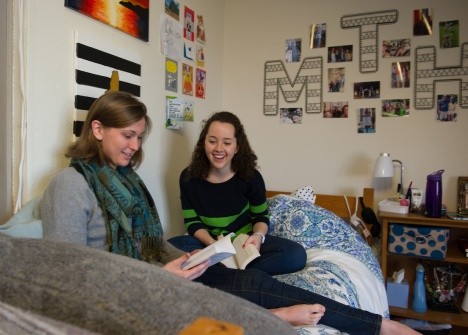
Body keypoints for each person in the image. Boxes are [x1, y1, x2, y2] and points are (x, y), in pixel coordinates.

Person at [40, 91, 420, 335]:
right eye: (129, 136)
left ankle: (379, 325)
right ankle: (282, 319)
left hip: (159, 272)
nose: (135, 146)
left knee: (259, 281)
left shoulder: (124, 180)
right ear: (98, 129)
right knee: (248, 284)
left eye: (140, 137)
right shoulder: (70, 185)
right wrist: (165, 272)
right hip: (136, 286)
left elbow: (148, 245)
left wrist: (186, 259)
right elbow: (68, 275)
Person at [168, 111, 306, 276]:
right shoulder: (188, 177)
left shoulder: (251, 177)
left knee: (295, 254)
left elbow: (261, 218)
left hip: (244, 244)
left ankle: (223, 275)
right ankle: (233, 274)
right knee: (166, 248)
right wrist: (215, 248)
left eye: (227, 143)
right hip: (209, 244)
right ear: (204, 143)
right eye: (212, 141)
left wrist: (258, 236)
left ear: (237, 147)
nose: (219, 149)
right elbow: (192, 223)